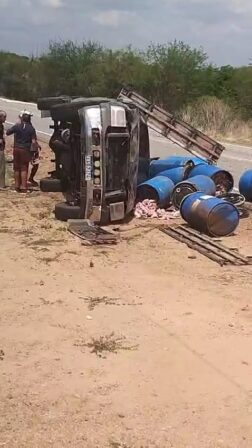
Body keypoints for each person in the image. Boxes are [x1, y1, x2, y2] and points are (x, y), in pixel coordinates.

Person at [6, 110, 37, 193]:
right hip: (25, 149)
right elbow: (33, 142)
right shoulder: (31, 129)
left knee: (16, 167)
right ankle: (23, 187)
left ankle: (16, 186)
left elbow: (8, 132)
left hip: (16, 148)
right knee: (24, 167)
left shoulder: (17, 126)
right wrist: (34, 152)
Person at [0, 110, 7, 189]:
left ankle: (1, 184)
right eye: (4, 117)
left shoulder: (1, 125)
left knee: (2, 167)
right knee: (1, 167)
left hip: (1, 148)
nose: (5, 119)